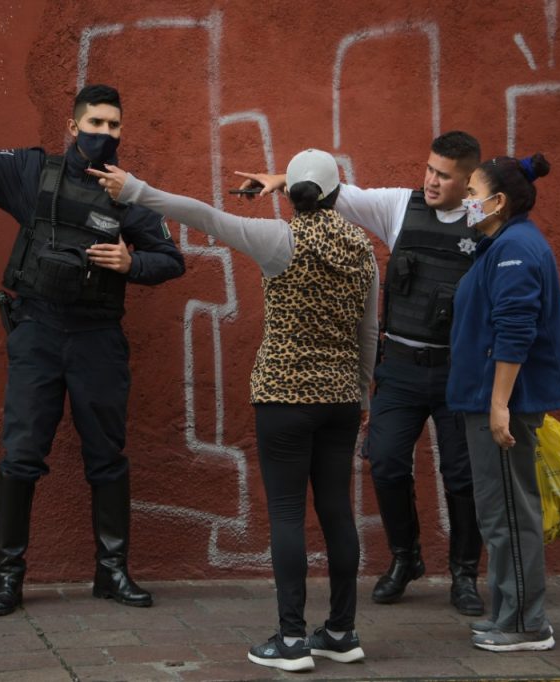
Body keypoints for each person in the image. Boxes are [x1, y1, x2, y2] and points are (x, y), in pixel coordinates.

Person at [0, 51, 185, 616]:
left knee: (107, 457)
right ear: (73, 125)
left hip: (97, 338)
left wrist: (131, 263)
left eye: (114, 125)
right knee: (20, 457)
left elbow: (172, 259)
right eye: (95, 122)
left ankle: (112, 572)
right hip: (38, 333)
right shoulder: (31, 173)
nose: (105, 133)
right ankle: (8, 579)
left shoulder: (128, 193)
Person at [90, 149, 378, 673]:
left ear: (291, 194)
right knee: (338, 511)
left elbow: (203, 215)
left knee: (287, 513)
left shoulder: (279, 240)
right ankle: (341, 631)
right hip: (339, 399)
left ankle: (292, 639)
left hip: (284, 398)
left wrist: (135, 191)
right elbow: (368, 333)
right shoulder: (362, 247)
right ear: (337, 195)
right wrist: (360, 397)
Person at [237, 131, 487, 616]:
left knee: (462, 474)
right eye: (430, 169)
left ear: (468, 180)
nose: (432, 181)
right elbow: (339, 193)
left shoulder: (483, 220)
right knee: (387, 462)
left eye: (444, 175)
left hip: (458, 370)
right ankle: (406, 557)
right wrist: (284, 178)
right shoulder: (401, 206)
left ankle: (464, 573)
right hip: (400, 366)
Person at [446, 153, 560, 652]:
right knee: (498, 512)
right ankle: (508, 613)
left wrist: (499, 404)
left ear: (497, 201)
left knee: (509, 514)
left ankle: (524, 623)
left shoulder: (515, 248)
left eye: (472, 193)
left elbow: (515, 328)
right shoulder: (502, 245)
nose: (466, 201)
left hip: (501, 404)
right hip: (486, 399)